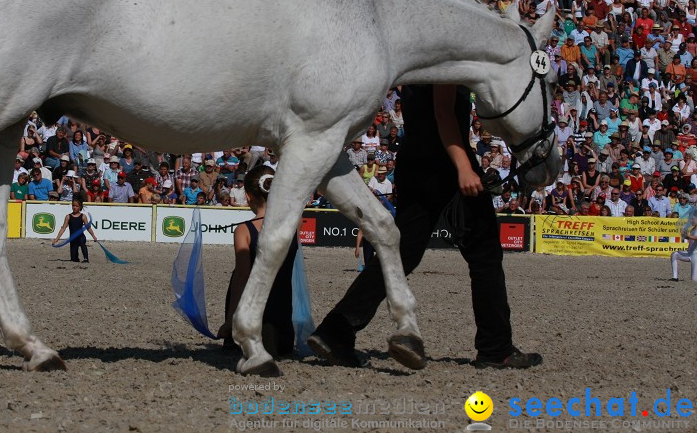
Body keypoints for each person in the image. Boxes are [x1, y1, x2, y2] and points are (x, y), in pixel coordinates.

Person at [308, 85, 542, 370]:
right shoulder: (444, 51)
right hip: (444, 160)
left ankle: (336, 330)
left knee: (403, 252)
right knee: (485, 254)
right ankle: (496, 348)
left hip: (416, 158)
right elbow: (443, 112)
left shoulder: (417, 61)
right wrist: (464, 167)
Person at [218, 165, 297, 358]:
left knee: (239, 273)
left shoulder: (244, 231)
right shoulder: (294, 224)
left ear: (248, 195)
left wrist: (230, 321)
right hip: (283, 328)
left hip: (254, 327)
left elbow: (242, 278)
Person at [52, 198, 98, 263]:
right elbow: (63, 228)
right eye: (73, 206)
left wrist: (94, 236)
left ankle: (86, 258)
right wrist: (57, 239)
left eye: (76, 206)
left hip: (80, 237)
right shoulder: (68, 216)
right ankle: (76, 258)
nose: (74, 207)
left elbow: (88, 228)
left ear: (80, 207)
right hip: (73, 238)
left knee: (83, 245)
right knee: (73, 259)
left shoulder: (83, 216)